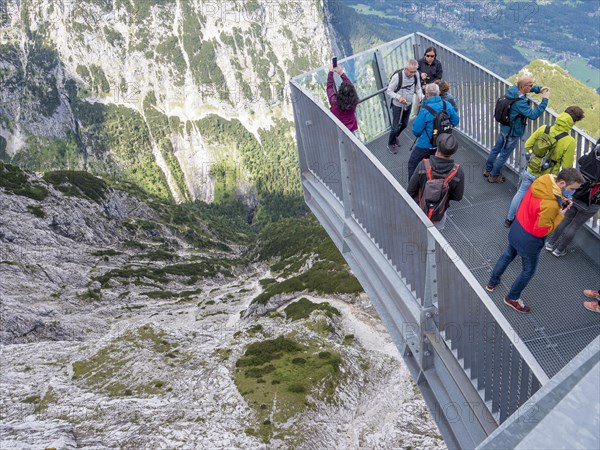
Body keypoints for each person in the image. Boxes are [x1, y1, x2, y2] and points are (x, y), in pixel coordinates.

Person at [485, 168, 585, 313]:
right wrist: (560, 215)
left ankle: (492, 282)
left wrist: (561, 199)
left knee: (507, 256)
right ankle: (512, 298)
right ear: (562, 183)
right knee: (528, 271)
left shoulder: (543, 181)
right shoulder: (551, 205)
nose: (573, 192)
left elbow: (548, 195)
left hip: (517, 228)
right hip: (529, 241)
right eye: (572, 189)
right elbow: (542, 230)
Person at [505, 106, 585, 228]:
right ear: (573, 122)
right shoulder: (569, 141)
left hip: (532, 168)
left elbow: (528, 144)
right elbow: (567, 166)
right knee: (538, 201)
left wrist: (535, 157)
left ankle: (509, 219)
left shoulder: (545, 128)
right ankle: (525, 224)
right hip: (546, 178)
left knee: (521, 193)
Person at [485, 76, 550, 183]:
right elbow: (533, 115)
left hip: (504, 127)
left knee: (496, 149)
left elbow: (524, 86)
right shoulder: (520, 103)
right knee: (504, 154)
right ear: (523, 87)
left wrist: (539, 89)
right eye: (530, 86)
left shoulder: (513, 90)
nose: (531, 87)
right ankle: (493, 175)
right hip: (513, 132)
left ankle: (488, 169)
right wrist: (545, 100)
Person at [545, 140, 600, 256]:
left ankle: (550, 243)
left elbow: (580, 162)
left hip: (576, 193)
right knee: (574, 226)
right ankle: (559, 250)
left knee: (565, 219)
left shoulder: (591, 156)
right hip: (592, 201)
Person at [407, 133, 464, 231]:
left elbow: (411, 190)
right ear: (453, 152)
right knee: (436, 234)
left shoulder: (423, 165)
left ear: (438, 147)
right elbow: (458, 197)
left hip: (420, 208)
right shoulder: (457, 172)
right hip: (439, 213)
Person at [408, 83, 459, 180]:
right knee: (436, 162)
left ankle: (412, 188)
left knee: (413, 163)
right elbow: (455, 120)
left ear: (427, 94)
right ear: (438, 92)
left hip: (426, 144)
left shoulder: (424, 110)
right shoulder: (446, 105)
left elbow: (416, 131)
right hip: (443, 143)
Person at [386, 59, 422, 154]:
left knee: (405, 124)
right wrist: (398, 97)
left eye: (414, 71)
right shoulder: (397, 77)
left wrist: (420, 96)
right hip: (397, 105)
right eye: (411, 71)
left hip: (408, 103)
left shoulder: (416, 74)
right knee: (394, 127)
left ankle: (396, 136)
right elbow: (389, 90)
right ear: (406, 68)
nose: (412, 74)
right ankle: (390, 143)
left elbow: (418, 88)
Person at [327, 63, 359, 133]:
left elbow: (329, 87)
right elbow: (351, 87)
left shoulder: (334, 102)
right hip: (351, 129)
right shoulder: (354, 101)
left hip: (338, 131)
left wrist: (330, 72)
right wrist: (341, 73)